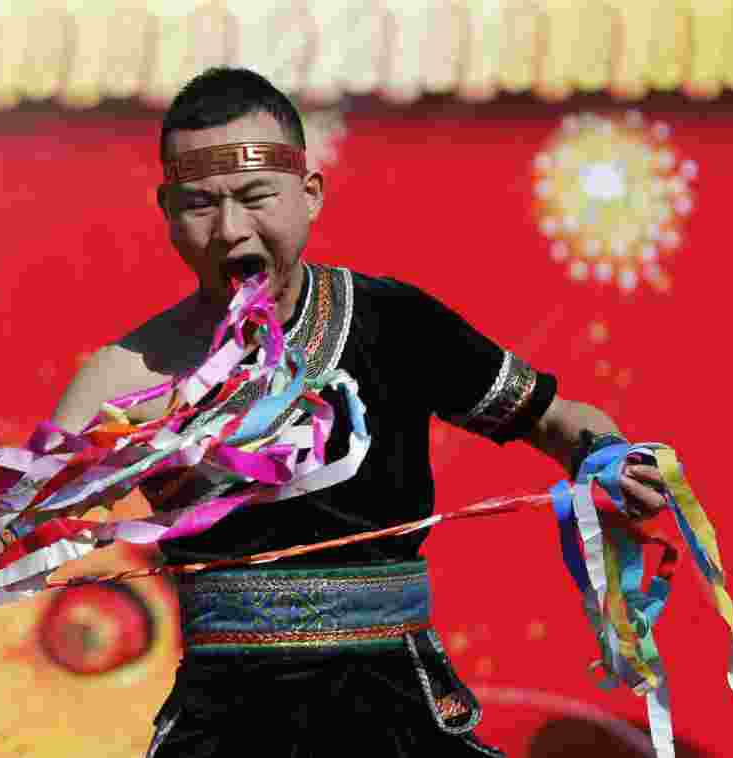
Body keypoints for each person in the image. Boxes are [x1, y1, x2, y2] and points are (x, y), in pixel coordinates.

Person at [49, 67, 669, 757]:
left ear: (309, 194)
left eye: (256, 197)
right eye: (200, 204)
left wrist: (613, 459)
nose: (230, 230)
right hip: (225, 723)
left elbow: (556, 422)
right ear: (165, 210)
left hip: (399, 708)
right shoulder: (130, 373)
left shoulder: (394, 322)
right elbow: (14, 521)